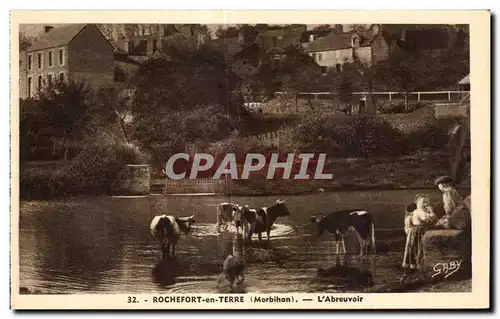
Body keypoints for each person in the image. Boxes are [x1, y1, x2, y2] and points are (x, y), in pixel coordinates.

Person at [400, 194, 437, 282]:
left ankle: (423, 269)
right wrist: (432, 213)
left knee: (424, 249)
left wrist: (432, 214)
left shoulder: (425, 211)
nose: (425, 204)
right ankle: (416, 269)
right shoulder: (417, 211)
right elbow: (426, 219)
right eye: (423, 202)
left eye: (427, 202)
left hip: (424, 231)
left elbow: (435, 220)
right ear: (416, 203)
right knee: (417, 249)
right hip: (417, 232)